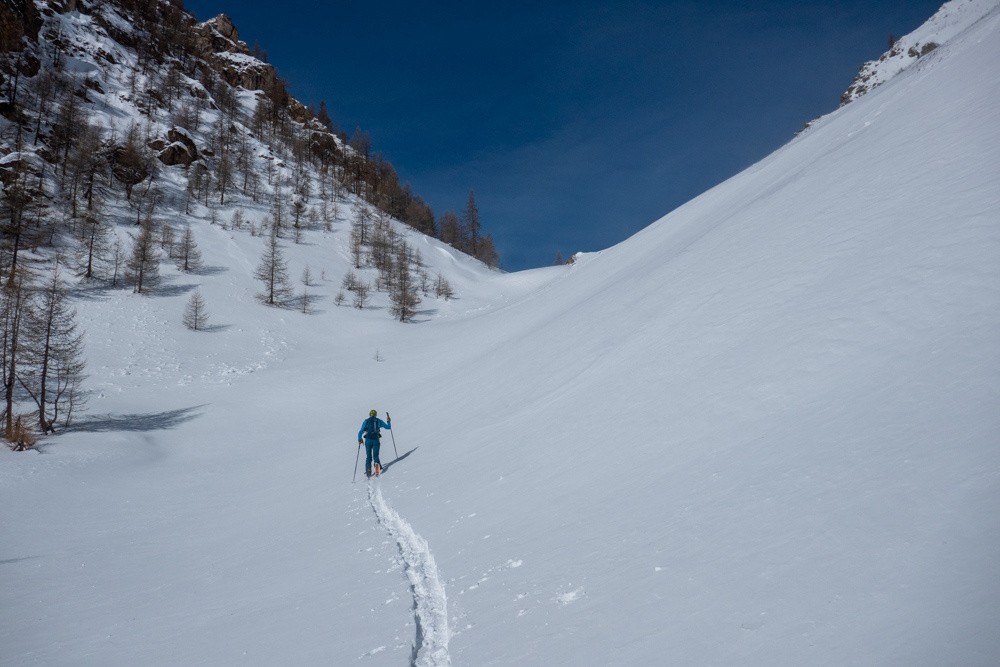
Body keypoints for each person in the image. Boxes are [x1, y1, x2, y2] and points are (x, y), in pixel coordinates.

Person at [358, 409, 391, 477]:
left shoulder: (366, 421)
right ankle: (377, 467)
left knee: (368, 457)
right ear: (375, 415)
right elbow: (388, 427)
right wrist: (388, 421)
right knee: (376, 456)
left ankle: (368, 470)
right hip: (376, 440)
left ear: (370, 414)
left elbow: (361, 431)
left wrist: (359, 438)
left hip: (368, 440)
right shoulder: (379, 421)